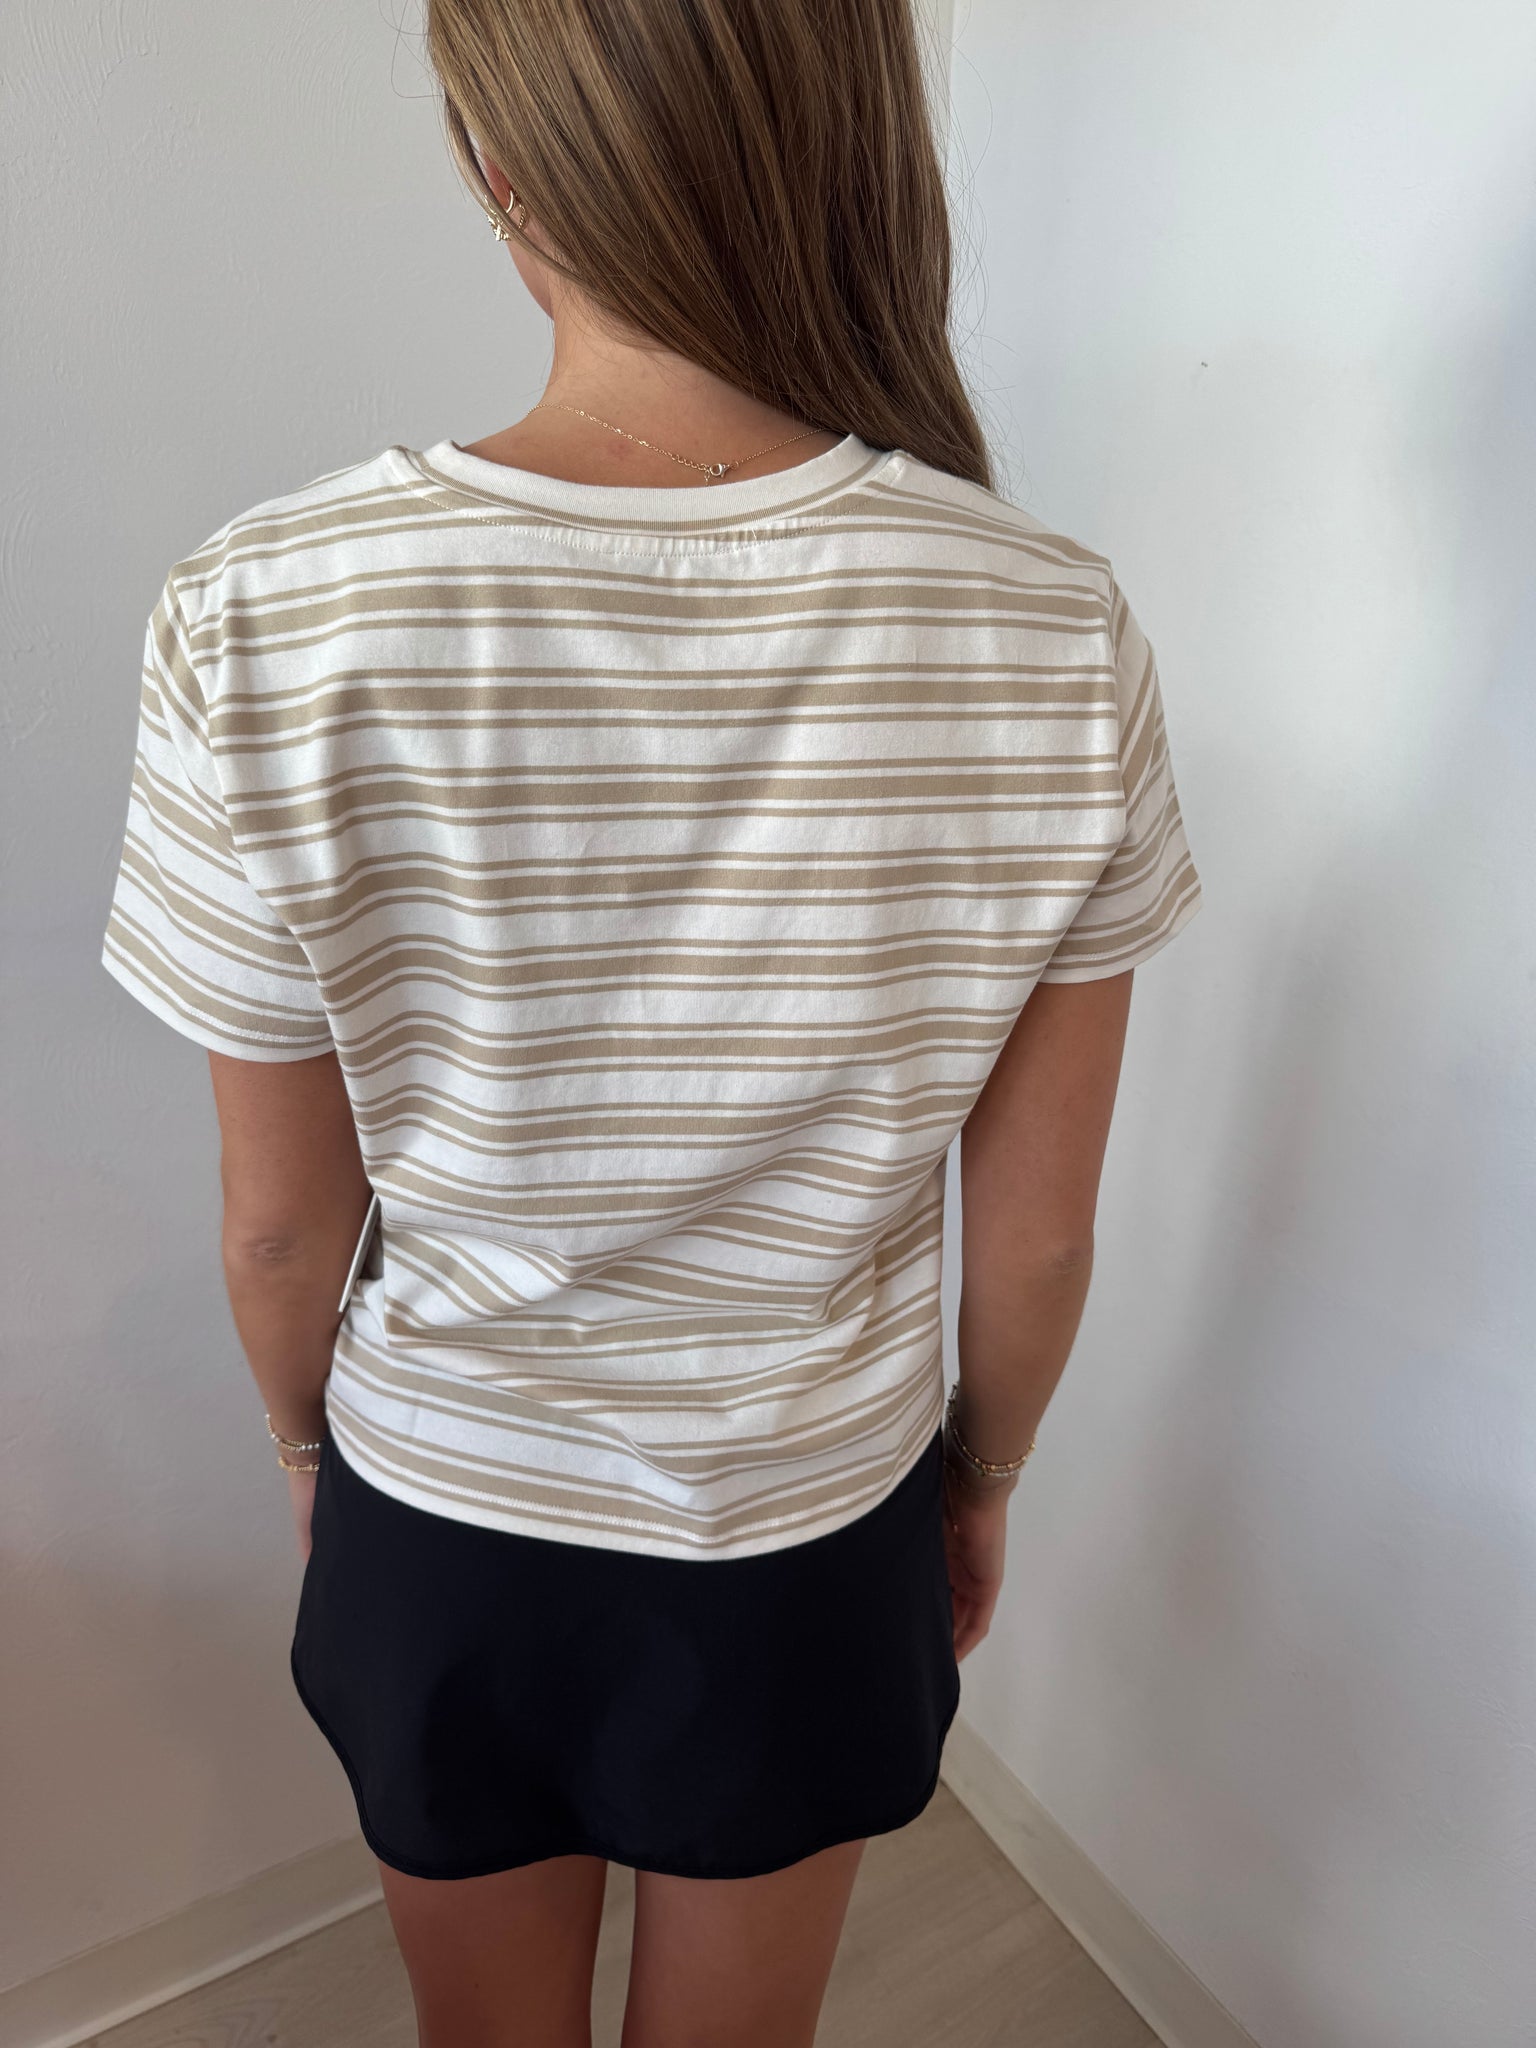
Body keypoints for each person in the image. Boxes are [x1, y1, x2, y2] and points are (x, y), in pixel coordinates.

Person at [98, 0, 1204, 2041]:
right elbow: (1039, 1237)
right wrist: (982, 1476)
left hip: (444, 1501)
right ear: (853, 150)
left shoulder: (265, 608)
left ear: (505, 168)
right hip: (810, 1526)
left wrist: (306, 1446)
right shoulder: (1055, 625)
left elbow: (277, 1228)